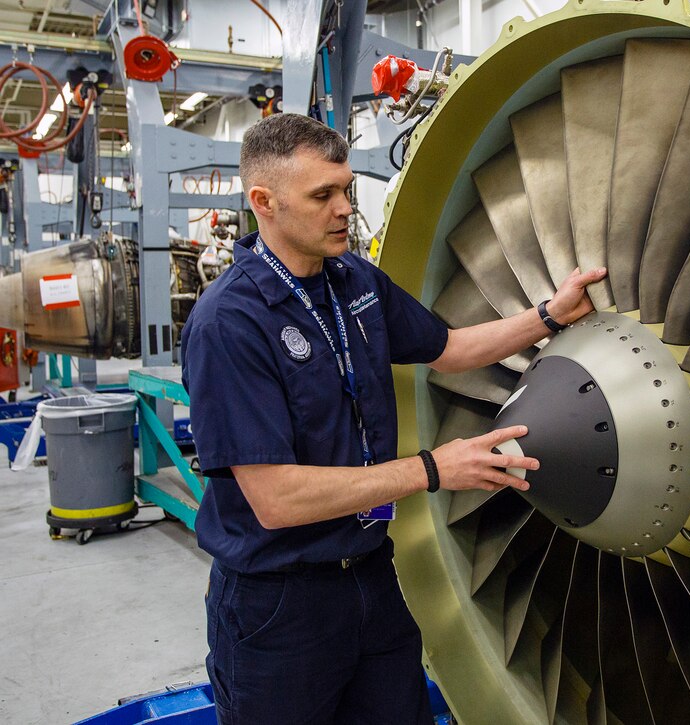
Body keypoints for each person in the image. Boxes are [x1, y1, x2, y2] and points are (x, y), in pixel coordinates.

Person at [180, 112, 606, 724]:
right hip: (279, 605)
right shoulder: (230, 324)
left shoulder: (352, 280)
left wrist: (550, 314)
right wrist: (433, 469)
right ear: (263, 202)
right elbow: (276, 498)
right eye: (322, 195)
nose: (344, 209)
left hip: (373, 580)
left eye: (346, 190)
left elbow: (452, 349)